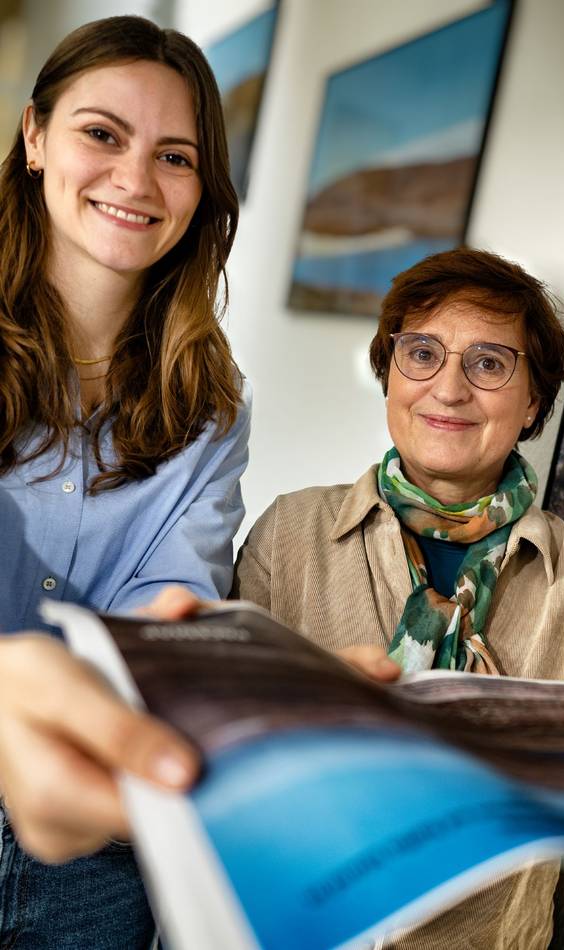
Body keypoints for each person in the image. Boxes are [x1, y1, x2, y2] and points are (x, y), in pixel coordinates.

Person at [0, 250, 564, 949]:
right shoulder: (288, 533)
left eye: (488, 364)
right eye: (422, 353)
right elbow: (207, 736)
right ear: (389, 373)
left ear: (533, 404)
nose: (447, 385)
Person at [0, 15, 250, 949]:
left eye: (175, 155)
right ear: (34, 137)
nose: (136, 180)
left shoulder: (216, 407)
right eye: (102, 133)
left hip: (99, 841)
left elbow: (168, 610)